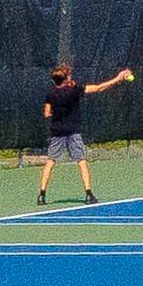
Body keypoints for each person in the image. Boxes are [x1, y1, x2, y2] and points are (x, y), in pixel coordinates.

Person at [37, 60, 135, 205]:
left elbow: (46, 113)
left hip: (56, 132)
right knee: (81, 161)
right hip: (73, 132)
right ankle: (89, 195)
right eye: (68, 76)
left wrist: (59, 111)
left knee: (50, 162)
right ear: (65, 79)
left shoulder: (51, 93)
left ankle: (41, 196)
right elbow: (98, 88)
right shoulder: (74, 90)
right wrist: (118, 78)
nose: (71, 77)